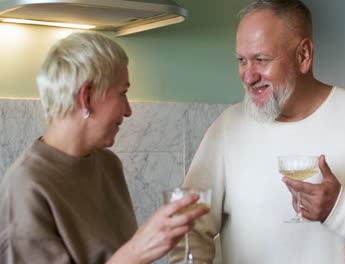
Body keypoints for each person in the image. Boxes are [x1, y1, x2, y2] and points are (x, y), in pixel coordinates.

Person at [169, 0, 345, 263]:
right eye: (242, 60)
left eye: (261, 60)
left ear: (303, 55)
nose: (248, 76)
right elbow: (189, 228)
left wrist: (340, 208)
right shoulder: (228, 128)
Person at [0, 32, 209, 264]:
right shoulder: (26, 188)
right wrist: (136, 252)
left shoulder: (108, 164)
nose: (128, 110)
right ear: (86, 97)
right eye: (122, 93)